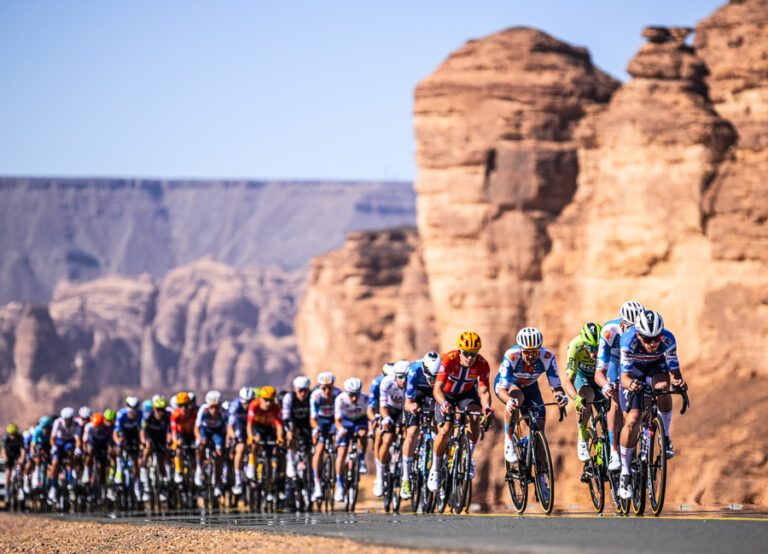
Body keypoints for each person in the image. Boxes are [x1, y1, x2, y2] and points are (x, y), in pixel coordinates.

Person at [618, 309, 688, 500]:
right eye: (647, 339)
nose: (652, 343)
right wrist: (631, 385)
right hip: (633, 373)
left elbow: (674, 370)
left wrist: (679, 382)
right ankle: (625, 473)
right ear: (638, 334)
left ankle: (664, 437)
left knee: (664, 387)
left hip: (656, 369)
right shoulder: (627, 341)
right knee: (632, 420)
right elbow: (624, 377)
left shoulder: (668, 339)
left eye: (656, 338)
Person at [494, 327, 568, 501]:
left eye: (535, 351)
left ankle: (541, 479)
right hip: (509, 386)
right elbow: (502, 388)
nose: (532, 355)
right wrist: (509, 401)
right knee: (516, 398)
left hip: (531, 388)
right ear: (521, 349)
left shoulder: (547, 357)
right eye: (528, 352)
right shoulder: (512, 356)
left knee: (539, 430)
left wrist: (559, 396)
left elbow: (555, 384)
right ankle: (509, 440)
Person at [428, 331, 493, 492]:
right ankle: (435, 471)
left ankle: (468, 459)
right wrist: (443, 403)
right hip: (447, 394)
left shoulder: (482, 364)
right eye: (466, 353)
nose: (470, 358)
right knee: (445, 430)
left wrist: (486, 408)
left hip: (466, 394)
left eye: (473, 354)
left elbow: (484, 391)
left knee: (475, 416)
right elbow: (437, 388)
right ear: (459, 351)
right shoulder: (449, 359)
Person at [595, 300, 644, 471]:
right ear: (622, 324)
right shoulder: (609, 332)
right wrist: (606, 386)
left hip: (633, 360)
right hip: (615, 360)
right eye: (630, 328)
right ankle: (614, 451)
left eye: (636, 329)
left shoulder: (643, 333)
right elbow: (599, 372)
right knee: (615, 398)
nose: (633, 333)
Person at [401, 351, 441, 499]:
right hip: (417, 392)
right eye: (431, 377)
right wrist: (412, 407)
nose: (433, 380)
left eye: (436, 377)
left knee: (438, 424)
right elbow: (407, 403)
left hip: (434, 394)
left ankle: (437, 464)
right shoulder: (414, 371)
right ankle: (405, 477)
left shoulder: (440, 374)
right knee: (412, 432)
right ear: (424, 370)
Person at [562, 322, 603, 462]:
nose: (595, 352)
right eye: (591, 348)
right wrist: (576, 398)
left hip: (600, 377)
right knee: (586, 397)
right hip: (582, 377)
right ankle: (583, 438)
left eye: (598, 348)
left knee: (613, 413)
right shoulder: (575, 346)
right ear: (584, 344)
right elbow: (568, 382)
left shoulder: (607, 345)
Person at [375, 360, 409, 497]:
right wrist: (386, 418)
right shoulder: (387, 382)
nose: (404, 380)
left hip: (404, 410)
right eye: (400, 376)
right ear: (395, 376)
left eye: (406, 376)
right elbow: (382, 406)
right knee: (387, 438)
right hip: (390, 409)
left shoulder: (411, 383)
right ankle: (380, 476)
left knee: (409, 435)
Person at [246, 385, 285, 501]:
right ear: (261, 399)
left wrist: (280, 437)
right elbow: (249, 424)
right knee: (256, 442)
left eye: (271, 401)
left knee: (269, 457)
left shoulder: (276, 407)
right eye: (266, 400)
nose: (268, 403)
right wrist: (250, 437)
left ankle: (268, 488)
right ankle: (252, 465)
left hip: (268, 428)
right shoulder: (254, 405)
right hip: (257, 428)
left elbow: (279, 425)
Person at [333, 377, 369, 502]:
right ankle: (339, 484)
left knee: (363, 434)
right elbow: (337, 421)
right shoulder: (340, 399)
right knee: (342, 452)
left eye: (357, 394)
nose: (354, 398)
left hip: (359, 420)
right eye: (351, 395)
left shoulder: (364, 398)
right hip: (345, 422)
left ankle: (362, 459)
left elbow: (369, 415)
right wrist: (341, 430)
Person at [309, 372, 340, 501]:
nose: (327, 391)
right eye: (324, 388)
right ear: (320, 387)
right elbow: (312, 418)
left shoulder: (338, 394)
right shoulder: (315, 396)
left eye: (330, 387)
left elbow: (342, 415)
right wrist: (316, 429)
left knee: (339, 445)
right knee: (319, 448)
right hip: (320, 421)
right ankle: (316, 483)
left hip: (334, 420)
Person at [195, 390, 228, 496]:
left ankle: (217, 483)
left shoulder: (223, 412)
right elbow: (196, 428)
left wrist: (227, 440)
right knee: (201, 446)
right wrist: (200, 438)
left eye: (216, 407)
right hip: (205, 430)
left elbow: (228, 428)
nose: (214, 410)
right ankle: (199, 469)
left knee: (219, 453)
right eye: (211, 407)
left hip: (217, 431)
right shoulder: (203, 410)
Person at [367, 363, 393, 491]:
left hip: (395, 404)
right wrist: (375, 419)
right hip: (381, 405)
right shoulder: (377, 383)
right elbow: (370, 407)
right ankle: (379, 469)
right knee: (378, 432)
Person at [140, 396, 171, 501]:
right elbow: (142, 431)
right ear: (154, 409)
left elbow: (170, 432)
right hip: (151, 439)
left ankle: (163, 486)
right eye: (158, 409)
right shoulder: (148, 417)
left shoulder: (167, 417)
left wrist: (169, 443)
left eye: (163, 409)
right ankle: (146, 487)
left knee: (162, 462)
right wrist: (144, 441)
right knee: (147, 449)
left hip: (162, 440)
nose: (161, 412)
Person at [49, 407, 83, 502]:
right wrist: (53, 447)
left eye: (69, 420)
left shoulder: (76, 424)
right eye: (66, 420)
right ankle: (53, 487)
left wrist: (77, 449)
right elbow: (52, 438)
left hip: (69, 442)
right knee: (55, 463)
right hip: (59, 442)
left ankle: (70, 480)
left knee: (70, 455)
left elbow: (78, 440)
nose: (67, 422)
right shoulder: (58, 422)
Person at [282, 376, 312, 484]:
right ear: (295, 389)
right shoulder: (289, 398)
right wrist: (289, 430)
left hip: (307, 424)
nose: (303, 394)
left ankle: (307, 471)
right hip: (293, 423)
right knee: (290, 437)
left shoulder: (311, 397)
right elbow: (286, 418)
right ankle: (291, 458)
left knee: (308, 449)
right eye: (300, 391)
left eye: (305, 391)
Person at [227, 386, 254, 495]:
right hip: (240, 427)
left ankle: (251, 468)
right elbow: (230, 426)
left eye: (249, 402)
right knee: (241, 447)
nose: (247, 405)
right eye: (244, 403)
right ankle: (238, 479)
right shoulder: (235, 406)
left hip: (252, 426)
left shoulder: (256, 406)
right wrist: (233, 437)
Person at [170, 392, 198, 485]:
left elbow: (198, 428)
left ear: (189, 405)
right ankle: (178, 472)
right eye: (180, 405)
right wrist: (175, 442)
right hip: (181, 435)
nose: (183, 408)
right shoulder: (175, 415)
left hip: (192, 434)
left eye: (185, 405)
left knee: (194, 456)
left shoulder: (195, 413)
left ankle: (195, 477)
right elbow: (173, 432)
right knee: (179, 449)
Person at [81, 413, 112, 488]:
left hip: (102, 445)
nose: (97, 428)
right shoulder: (88, 426)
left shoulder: (106, 428)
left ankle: (102, 486)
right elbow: (84, 441)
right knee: (89, 453)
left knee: (103, 466)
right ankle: (86, 472)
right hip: (92, 443)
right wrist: (85, 450)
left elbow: (110, 442)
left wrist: (110, 452)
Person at [2, 424, 25, 502]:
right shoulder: (5, 437)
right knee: (8, 472)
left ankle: (21, 490)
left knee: (20, 473)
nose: (13, 436)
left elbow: (23, 449)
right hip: (9, 457)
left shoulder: (20, 438)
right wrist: (5, 457)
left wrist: (22, 458)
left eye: (14, 434)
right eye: (11, 434)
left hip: (17, 457)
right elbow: (3, 449)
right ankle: (7, 493)